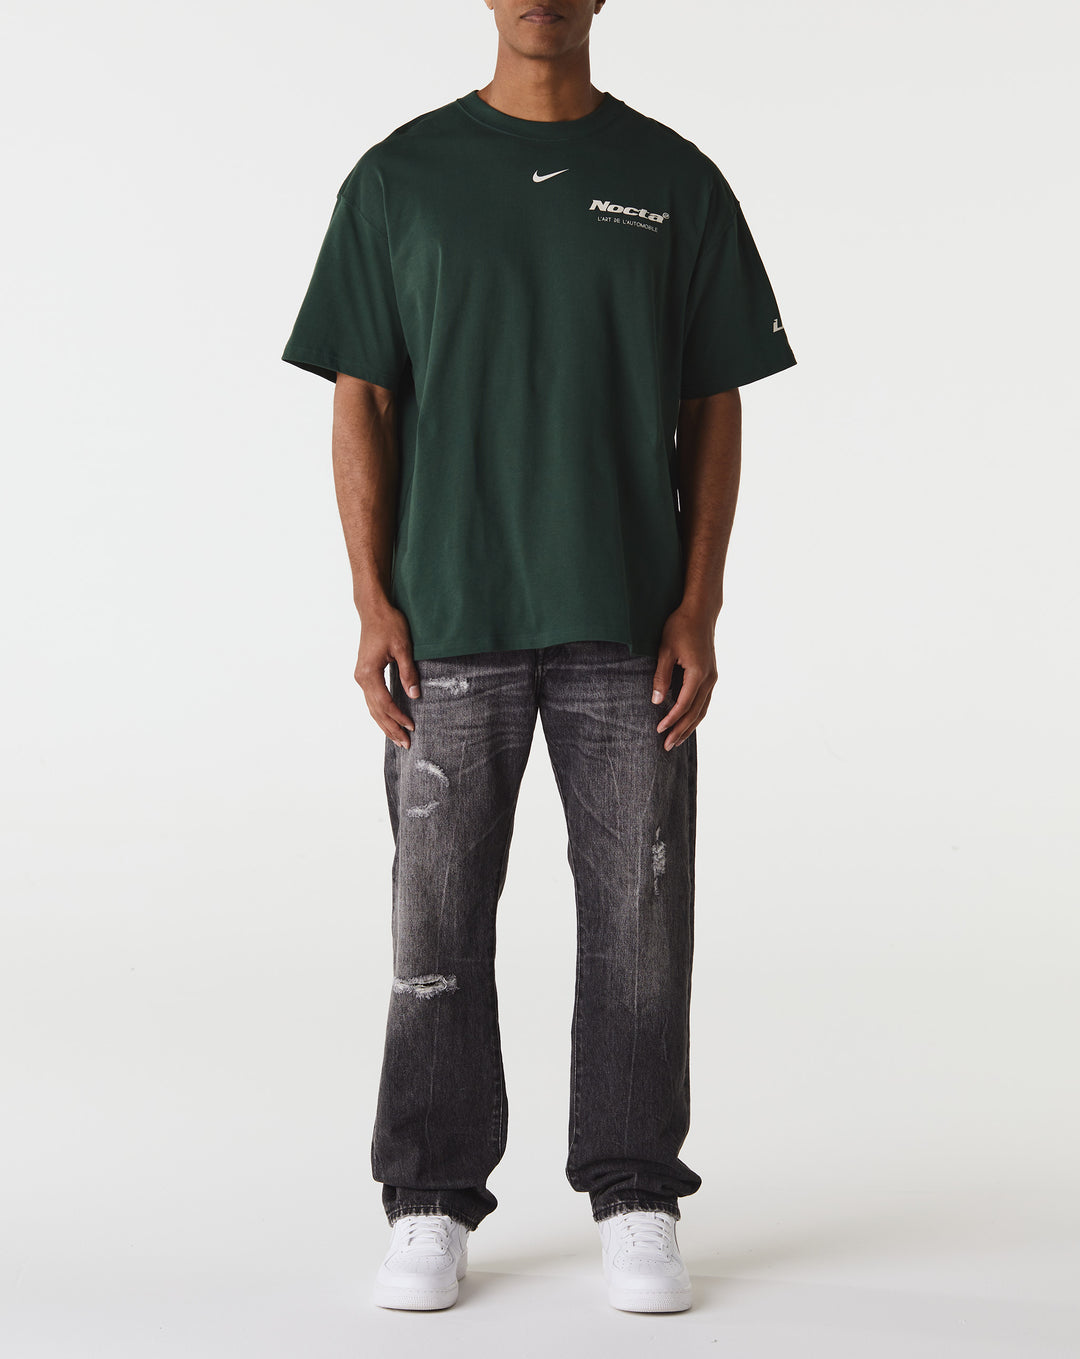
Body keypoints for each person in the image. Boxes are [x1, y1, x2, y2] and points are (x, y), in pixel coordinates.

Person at [281, 0, 796, 1316]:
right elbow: (361, 396)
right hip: (448, 618)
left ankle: (635, 1193)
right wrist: (370, 599)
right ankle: (430, 1197)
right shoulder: (400, 179)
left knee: (638, 923)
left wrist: (700, 603)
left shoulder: (673, 181)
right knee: (435, 925)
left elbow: (714, 402)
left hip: (627, 622)